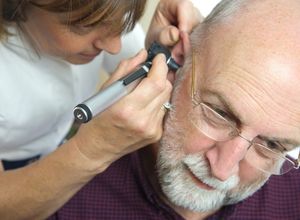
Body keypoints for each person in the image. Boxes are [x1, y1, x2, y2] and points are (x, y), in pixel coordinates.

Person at [49, 0, 300, 219]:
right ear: (179, 60)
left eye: (272, 145)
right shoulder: (63, 201)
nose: (222, 171)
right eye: (219, 114)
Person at [0, 0, 201, 219]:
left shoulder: (100, 16)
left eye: (121, 23)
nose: (114, 46)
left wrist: (164, 51)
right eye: (84, 26)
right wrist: (90, 150)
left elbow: (142, 70)